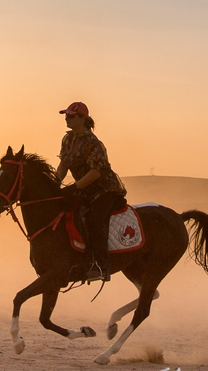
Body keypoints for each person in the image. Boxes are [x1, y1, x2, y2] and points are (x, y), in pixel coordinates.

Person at [56, 101, 126, 282]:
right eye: (66, 116)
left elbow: (96, 172)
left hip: (104, 190)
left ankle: (101, 266)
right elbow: (64, 165)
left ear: (83, 118)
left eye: (71, 116)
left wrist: (75, 186)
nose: (67, 119)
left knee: (95, 221)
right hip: (83, 189)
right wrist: (55, 183)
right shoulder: (67, 139)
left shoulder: (94, 143)